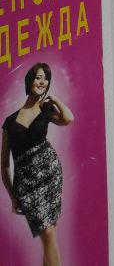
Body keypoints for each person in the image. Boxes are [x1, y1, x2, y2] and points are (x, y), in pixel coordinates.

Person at [2, 62, 74, 266]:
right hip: (27, 184)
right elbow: (4, 163)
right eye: (38, 77)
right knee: (48, 234)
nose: (42, 82)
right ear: (29, 81)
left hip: (50, 175)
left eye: (46, 78)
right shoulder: (9, 122)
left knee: (49, 234)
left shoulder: (46, 110)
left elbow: (68, 118)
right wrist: (13, 196)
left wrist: (55, 99)